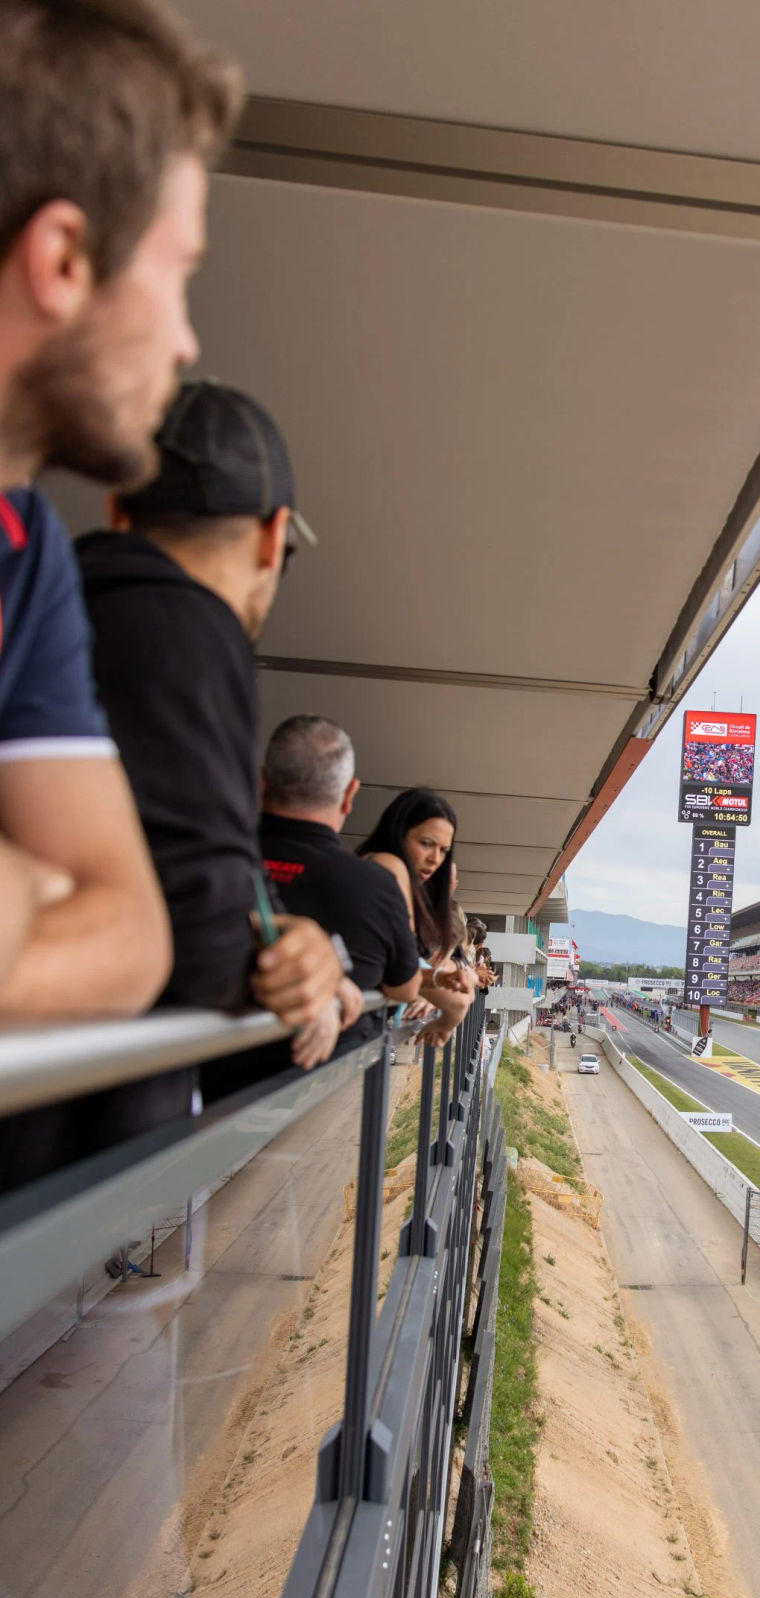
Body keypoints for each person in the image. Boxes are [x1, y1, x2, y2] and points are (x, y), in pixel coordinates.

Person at [0, 0, 243, 1020]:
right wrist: (26, 884)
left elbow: (131, 938)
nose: (186, 341)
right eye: (178, 273)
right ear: (64, 259)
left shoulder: (27, 547)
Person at [79, 381, 344, 1063]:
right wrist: (297, 980)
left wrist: (276, 934)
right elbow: (197, 943)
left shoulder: (51, 596)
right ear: (272, 536)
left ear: (117, 513)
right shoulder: (196, 630)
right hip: (91, 1137)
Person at [258, 715, 421, 1008]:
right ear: (349, 794)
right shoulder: (378, 884)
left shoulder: (212, 862)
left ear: (262, 783)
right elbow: (406, 988)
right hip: (334, 1051)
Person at [358, 788, 477, 1044]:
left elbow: (404, 969)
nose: (435, 859)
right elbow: (403, 978)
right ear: (398, 832)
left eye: (444, 850)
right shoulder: (389, 868)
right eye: (426, 844)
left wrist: (440, 978)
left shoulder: (384, 869)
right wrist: (436, 987)